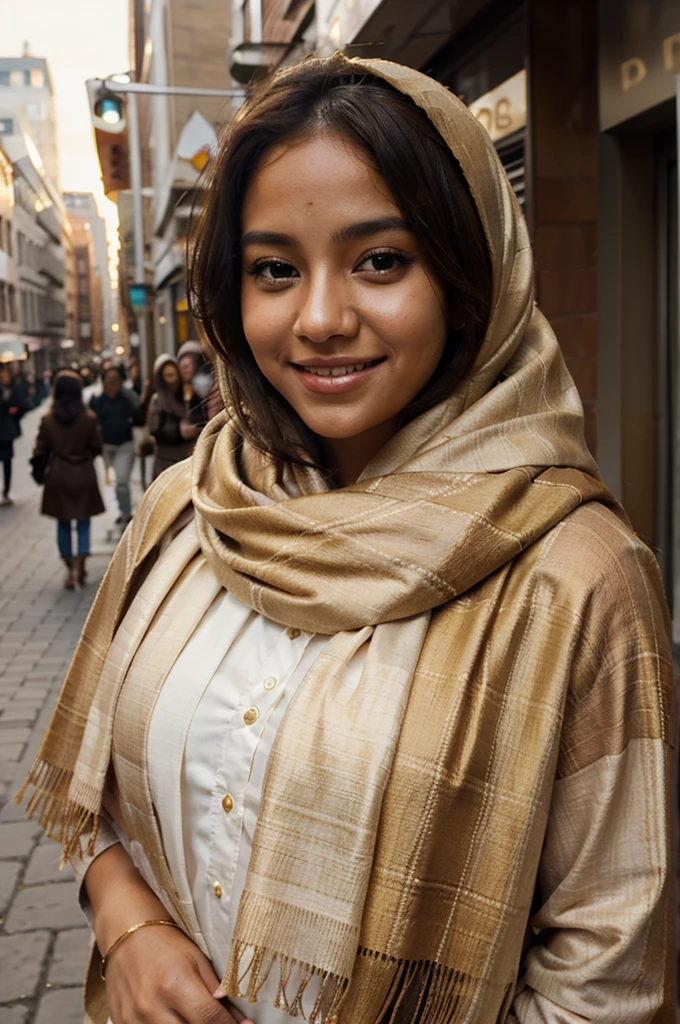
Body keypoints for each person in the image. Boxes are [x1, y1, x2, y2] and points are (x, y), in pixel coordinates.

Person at [18, 55, 674, 1024]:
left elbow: (608, 981)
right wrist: (131, 926)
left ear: (470, 270)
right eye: (274, 269)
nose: (320, 319)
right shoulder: (184, 510)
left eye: (379, 260)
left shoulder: (574, 576)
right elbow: (98, 799)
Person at [32, 371, 105, 588]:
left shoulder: (48, 421)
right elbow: (96, 447)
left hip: (59, 475)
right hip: (83, 473)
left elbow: (40, 450)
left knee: (63, 523)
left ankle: (69, 567)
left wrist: (39, 472)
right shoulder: (88, 419)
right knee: (83, 522)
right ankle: (81, 564)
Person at [89, 365, 139, 525]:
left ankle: (125, 512)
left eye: (116, 380)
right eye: (108, 381)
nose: (112, 384)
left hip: (125, 444)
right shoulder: (96, 400)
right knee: (114, 481)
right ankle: (121, 509)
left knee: (122, 478)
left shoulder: (128, 398)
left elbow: (140, 416)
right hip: (106, 446)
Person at [147, 354, 198, 478]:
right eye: (168, 376)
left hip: (187, 456)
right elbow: (155, 429)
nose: (172, 380)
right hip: (166, 459)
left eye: (174, 374)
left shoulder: (188, 393)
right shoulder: (158, 400)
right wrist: (178, 431)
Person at [0, 363, 29, 506]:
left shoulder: (11, 389)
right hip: (6, 429)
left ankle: (5, 491)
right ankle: (5, 491)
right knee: (6, 461)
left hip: (5, 431)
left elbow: (23, 405)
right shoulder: (9, 388)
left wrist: (15, 411)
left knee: (6, 461)